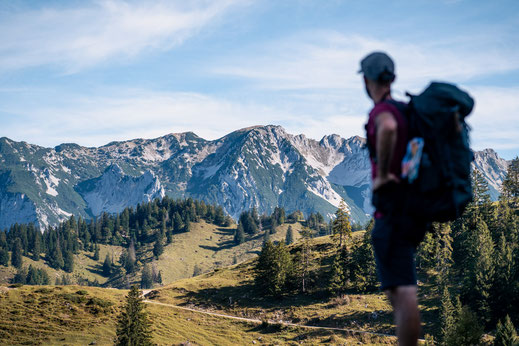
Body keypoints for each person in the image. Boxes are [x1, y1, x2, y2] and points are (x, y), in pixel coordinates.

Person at [359, 51, 427, 346]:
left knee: (402, 292)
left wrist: (383, 174)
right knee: (401, 287)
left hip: (392, 208)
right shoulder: (406, 110)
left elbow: (387, 128)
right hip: (412, 208)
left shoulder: (383, 112)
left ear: (366, 80)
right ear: (393, 78)